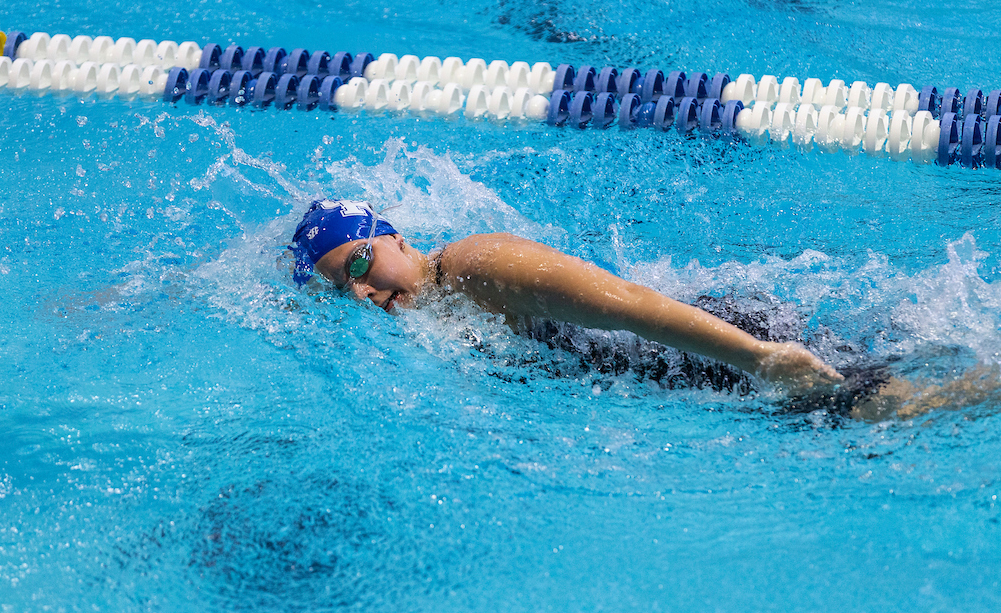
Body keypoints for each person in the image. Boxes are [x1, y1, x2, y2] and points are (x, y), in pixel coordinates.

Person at [289, 198, 843, 395]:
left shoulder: (476, 266)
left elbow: (627, 303)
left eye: (361, 262)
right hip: (684, 377)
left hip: (717, 348)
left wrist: (759, 357)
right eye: (346, 286)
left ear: (397, 238)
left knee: (897, 409)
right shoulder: (435, 311)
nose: (363, 289)